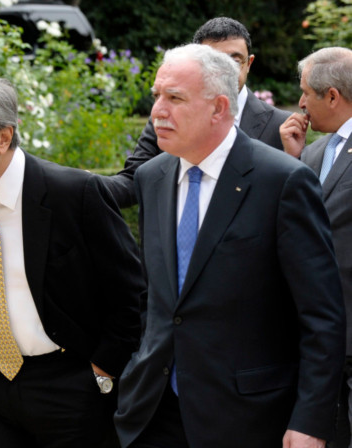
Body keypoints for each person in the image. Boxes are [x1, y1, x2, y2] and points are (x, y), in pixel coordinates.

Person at [113, 43, 345, 448]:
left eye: (175, 98)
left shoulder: (282, 181)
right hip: (153, 412)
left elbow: (321, 315)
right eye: (156, 97)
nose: (157, 112)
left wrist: (311, 419)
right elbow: (156, 297)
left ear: (219, 108)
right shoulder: (152, 176)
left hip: (247, 418)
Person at [0, 72, 145, 448]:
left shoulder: (76, 194)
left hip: (70, 387)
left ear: (3, 138)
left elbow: (133, 295)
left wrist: (100, 371)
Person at [106, 17, 291, 208]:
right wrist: (83, 186)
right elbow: (133, 180)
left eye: (234, 61)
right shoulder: (165, 118)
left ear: (249, 63)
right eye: (214, 62)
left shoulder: (280, 126)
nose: (224, 71)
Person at [280, 47, 352, 448]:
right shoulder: (314, 150)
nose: (300, 103)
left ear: (332, 97)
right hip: (318, 342)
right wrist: (293, 161)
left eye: (306, 92)